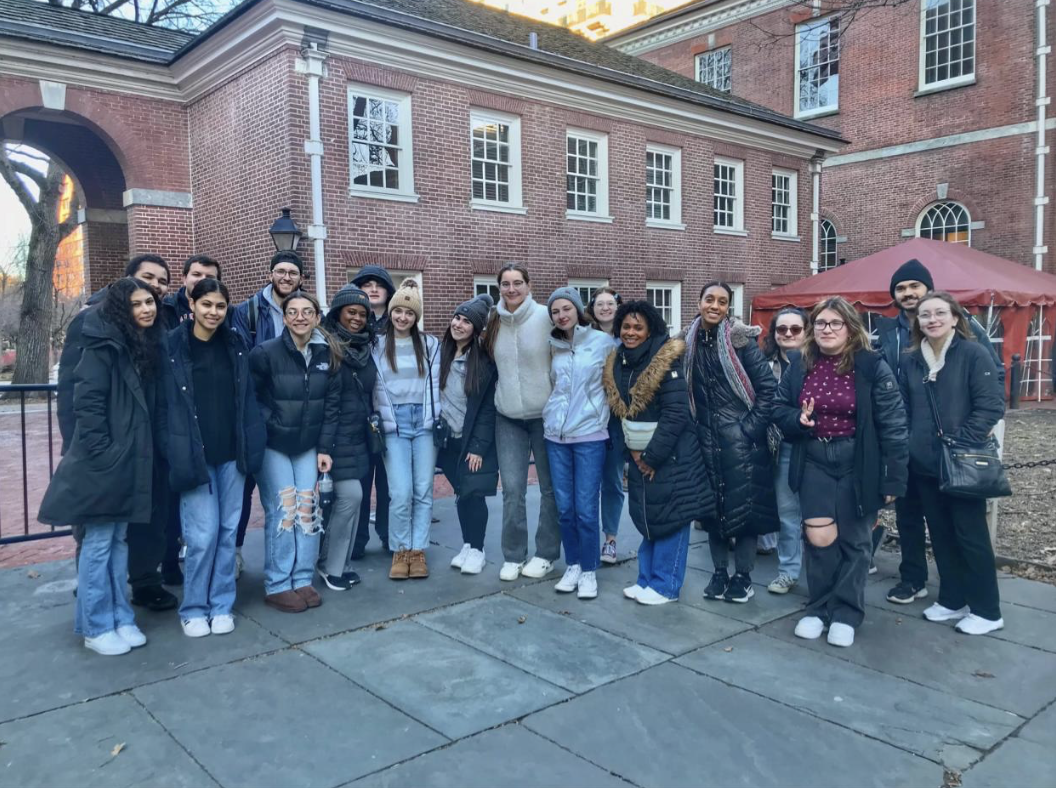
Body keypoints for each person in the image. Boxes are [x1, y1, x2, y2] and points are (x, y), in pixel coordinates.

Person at [39, 278, 166, 655]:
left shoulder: (139, 343)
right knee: (98, 543)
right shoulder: (101, 342)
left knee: (117, 541)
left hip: (128, 458)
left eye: (150, 301)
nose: (147, 309)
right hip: (105, 460)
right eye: (137, 304)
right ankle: (96, 626)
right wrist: (103, 451)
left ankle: (118, 615)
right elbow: (87, 401)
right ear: (120, 310)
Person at [774, 296, 908, 648]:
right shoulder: (799, 364)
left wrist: (894, 475)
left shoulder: (871, 366)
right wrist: (796, 420)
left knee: (855, 540)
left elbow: (893, 423)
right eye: (820, 323)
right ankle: (818, 608)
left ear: (850, 328)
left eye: (835, 323)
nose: (826, 329)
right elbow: (779, 408)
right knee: (819, 538)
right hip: (814, 458)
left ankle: (847, 612)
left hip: (858, 463)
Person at [876, 258, 1004, 606]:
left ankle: (979, 603)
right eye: (901, 288)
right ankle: (920, 582)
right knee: (914, 519)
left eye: (914, 286)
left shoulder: (968, 340)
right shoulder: (892, 338)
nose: (908, 293)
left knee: (963, 528)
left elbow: (993, 390)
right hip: (910, 447)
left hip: (954, 450)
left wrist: (966, 436)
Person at [57, 254, 178, 612]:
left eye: (162, 280)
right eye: (147, 278)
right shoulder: (91, 322)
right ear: (128, 280)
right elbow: (74, 391)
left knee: (148, 518)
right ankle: (94, 595)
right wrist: (83, 443)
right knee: (100, 527)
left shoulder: (160, 323)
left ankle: (144, 581)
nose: (156, 286)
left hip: (149, 441)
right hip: (106, 446)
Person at [162, 279, 265, 637]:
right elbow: (165, 404)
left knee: (226, 532)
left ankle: (221, 604)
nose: (213, 312)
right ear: (192, 303)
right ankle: (193, 607)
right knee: (201, 535)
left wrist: (252, 443)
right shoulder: (173, 345)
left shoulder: (236, 344)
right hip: (193, 454)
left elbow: (247, 398)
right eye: (207, 304)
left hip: (230, 454)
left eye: (220, 306)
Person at [900, 292, 1006, 635]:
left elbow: (990, 407)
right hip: (925, 464)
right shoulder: (913, 360)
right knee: (941, 535)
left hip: (960, 463)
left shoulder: (973, 354)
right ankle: (952, 599)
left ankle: (987, 610)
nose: (932, 319)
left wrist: (958, 442)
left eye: (940, 313)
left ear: (956, 318)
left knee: (970, 535)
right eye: (925, 314)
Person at [602, 300, 714, 605]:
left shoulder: (666, 360)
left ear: (650, 329)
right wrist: (634, 456)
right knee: (649, 516)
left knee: (672, 518)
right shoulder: (619, 361)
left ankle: (666, 585)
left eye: (638, 327)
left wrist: (651, 457)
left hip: (670, 455)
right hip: (640, 456)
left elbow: (676, 414)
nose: (631, 332)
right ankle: (646, 579)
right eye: (626, 326)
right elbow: (621, 412)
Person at [683, 281, 778, 604]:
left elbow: (768, 389)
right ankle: (719, 572)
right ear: (699, 302)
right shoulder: (688, 342)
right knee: (713, 513)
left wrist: (748, 429)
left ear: (728, 308)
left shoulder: (741, 342)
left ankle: (744, 577)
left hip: (743, 444)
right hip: (705, 441)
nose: (714, 306)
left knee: (745, 514)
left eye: (722, 301)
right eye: (709, 299)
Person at [249, 291, 340, 613]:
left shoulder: (326, 354)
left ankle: (302, 578)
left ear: (317, 317)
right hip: (274, 444)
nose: (300, 317)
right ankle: (278, 583)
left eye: (307, 312)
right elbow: (252, 399)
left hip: (307, 446)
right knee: (284, 510)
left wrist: (324, 448)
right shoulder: (265, 353)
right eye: (293, 311)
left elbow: (331, 407)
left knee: (307, 509)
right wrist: (270, 423)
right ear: (284, 317)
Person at [483, 264, 562, 581]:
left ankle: (546, 554)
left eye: (518, 283)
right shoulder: (493, 321)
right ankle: (514, 555)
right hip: (508, 417)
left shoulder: (546, 317)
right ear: (499, 287)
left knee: (549, 489)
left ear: (529, 286)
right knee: (512, 490)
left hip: (545, 417)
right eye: (505, 284)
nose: (511, 289)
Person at [230, 250, 305, 579]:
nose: (286, 277)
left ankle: (296, 563)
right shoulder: (247, 312)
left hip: (291, 414)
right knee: (244, 488)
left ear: (300, 278)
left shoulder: (304, 310)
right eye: (281, 271)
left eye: (292, 273)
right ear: (271, 273)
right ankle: (234, 551)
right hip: (255, 409)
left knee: (289, 497)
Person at [543, 288, 611, 600]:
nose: (561, 315)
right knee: (565, 508)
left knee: (585, 509)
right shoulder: (552, 345)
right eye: (555, 311)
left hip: (589, 435)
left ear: (578, 310)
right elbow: (551, 384)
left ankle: (589, 570)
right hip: (556, 436)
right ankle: (572, 564)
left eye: (566, 308)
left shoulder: (600, 342)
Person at [373, 280, 441, 580]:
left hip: (423, 421)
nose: (403, 317)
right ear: (390, 313)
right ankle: (400, 549)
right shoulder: (376, 345)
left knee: (423, 490)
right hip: (394, 423)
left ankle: (418, 550)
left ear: (416, 317)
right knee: (400, 492)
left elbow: (435, 386)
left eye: (409, 313)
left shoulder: (430, 345)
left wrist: (433, 417)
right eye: (398, 311)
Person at [317, 285, 377, 590]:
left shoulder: (366, 347)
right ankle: (329, 564)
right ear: (337, 312)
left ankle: (340, 562)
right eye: (350, 312)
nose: (356, 318)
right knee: (349, 497)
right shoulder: (325, 345)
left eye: (362, 314)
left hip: (358, 436)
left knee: (354, 501)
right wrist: (324, 444)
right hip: (333, 436)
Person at [438, 294, 499, 576]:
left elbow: (487, 409)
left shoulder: (484, 363)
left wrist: (478, 446)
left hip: (471, 440)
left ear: (476, 329)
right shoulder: (440, 354)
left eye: (466, 322)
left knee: (474, 494)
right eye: (457, 318)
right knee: (462, 493)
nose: (459, 324)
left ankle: (478, 549)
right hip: (446, 440)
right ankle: (467, 544)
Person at [350, 264, 397, 558]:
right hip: (359, 414)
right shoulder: (352, 325)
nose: (373, 288)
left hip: (390, 413)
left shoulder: (399, 324)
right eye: (366, 284)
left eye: (379, 284)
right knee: (361, 478)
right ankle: (357, 539)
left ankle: (389, 533)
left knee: (389, 480)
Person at [761, 307, 809, 594]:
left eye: (795, 329)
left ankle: (824, 572)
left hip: (814, 444)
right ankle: (788, 571)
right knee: (788, 514)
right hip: (779, 447)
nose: (788, 334)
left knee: (819, 514)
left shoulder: (818, 364)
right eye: (782, 329)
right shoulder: (764, 364)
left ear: (807, 332)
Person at [587, 287, 625, 563]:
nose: (605, 308)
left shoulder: (629, 337)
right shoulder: (585, 337)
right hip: (588, 418)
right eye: (599, 304)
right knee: (588, 482)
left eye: (609, 303)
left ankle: (610, 539)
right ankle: (587, 538)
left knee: (611, 480)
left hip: (616, 420)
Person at [162, 255, 221, 326]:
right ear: (184, 279)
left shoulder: (227, 312)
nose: (202, 280)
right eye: (196, 274)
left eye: (209, 277)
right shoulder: (167, 308)